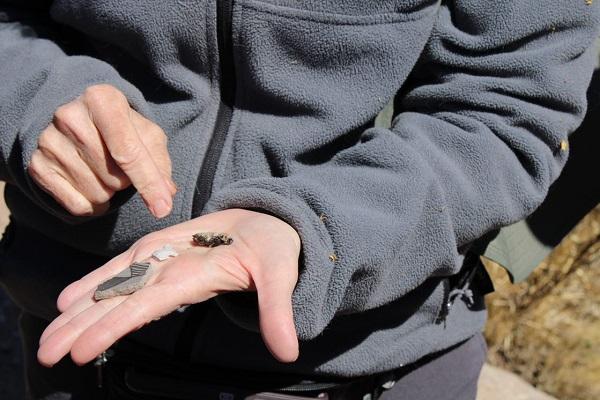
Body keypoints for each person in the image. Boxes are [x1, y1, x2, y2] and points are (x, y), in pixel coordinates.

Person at [0, 1, 598, 399]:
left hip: (370, 365)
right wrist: (33, 97)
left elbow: (507, 108)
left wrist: (314, 227)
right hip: (81, 340)